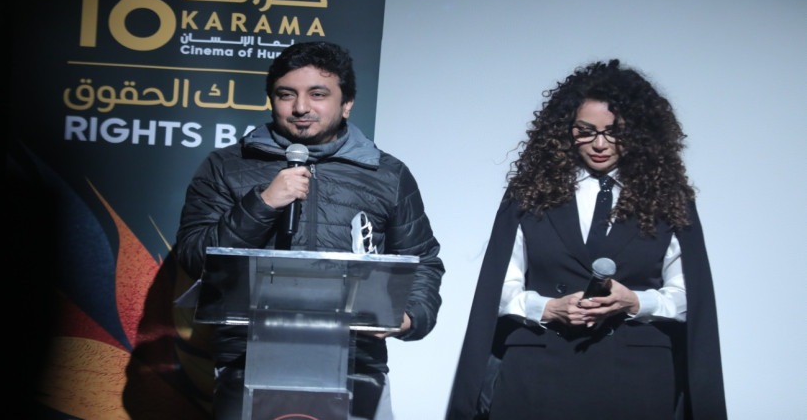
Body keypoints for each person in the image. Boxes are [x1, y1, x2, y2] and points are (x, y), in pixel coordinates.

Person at [175, 40, 445, 420]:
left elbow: (422, 260)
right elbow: (194, 256)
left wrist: (411, 315)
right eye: (286, 95)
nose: (300, 107)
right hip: (248, 365)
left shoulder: (387, 174)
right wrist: (263, 204)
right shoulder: (226, 166)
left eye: (317, 94)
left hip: (357, 366)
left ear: (346, 103)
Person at [446, 60, 726, 420]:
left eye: (615, 132)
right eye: (586, 131)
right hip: (537, 374)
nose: (600, 144)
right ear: (566, 130)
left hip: (637, 381)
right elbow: (497, 286)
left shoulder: (667, 198)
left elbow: (690, 295)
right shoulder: (530, 193)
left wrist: (635, 302)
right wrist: (548, 308)